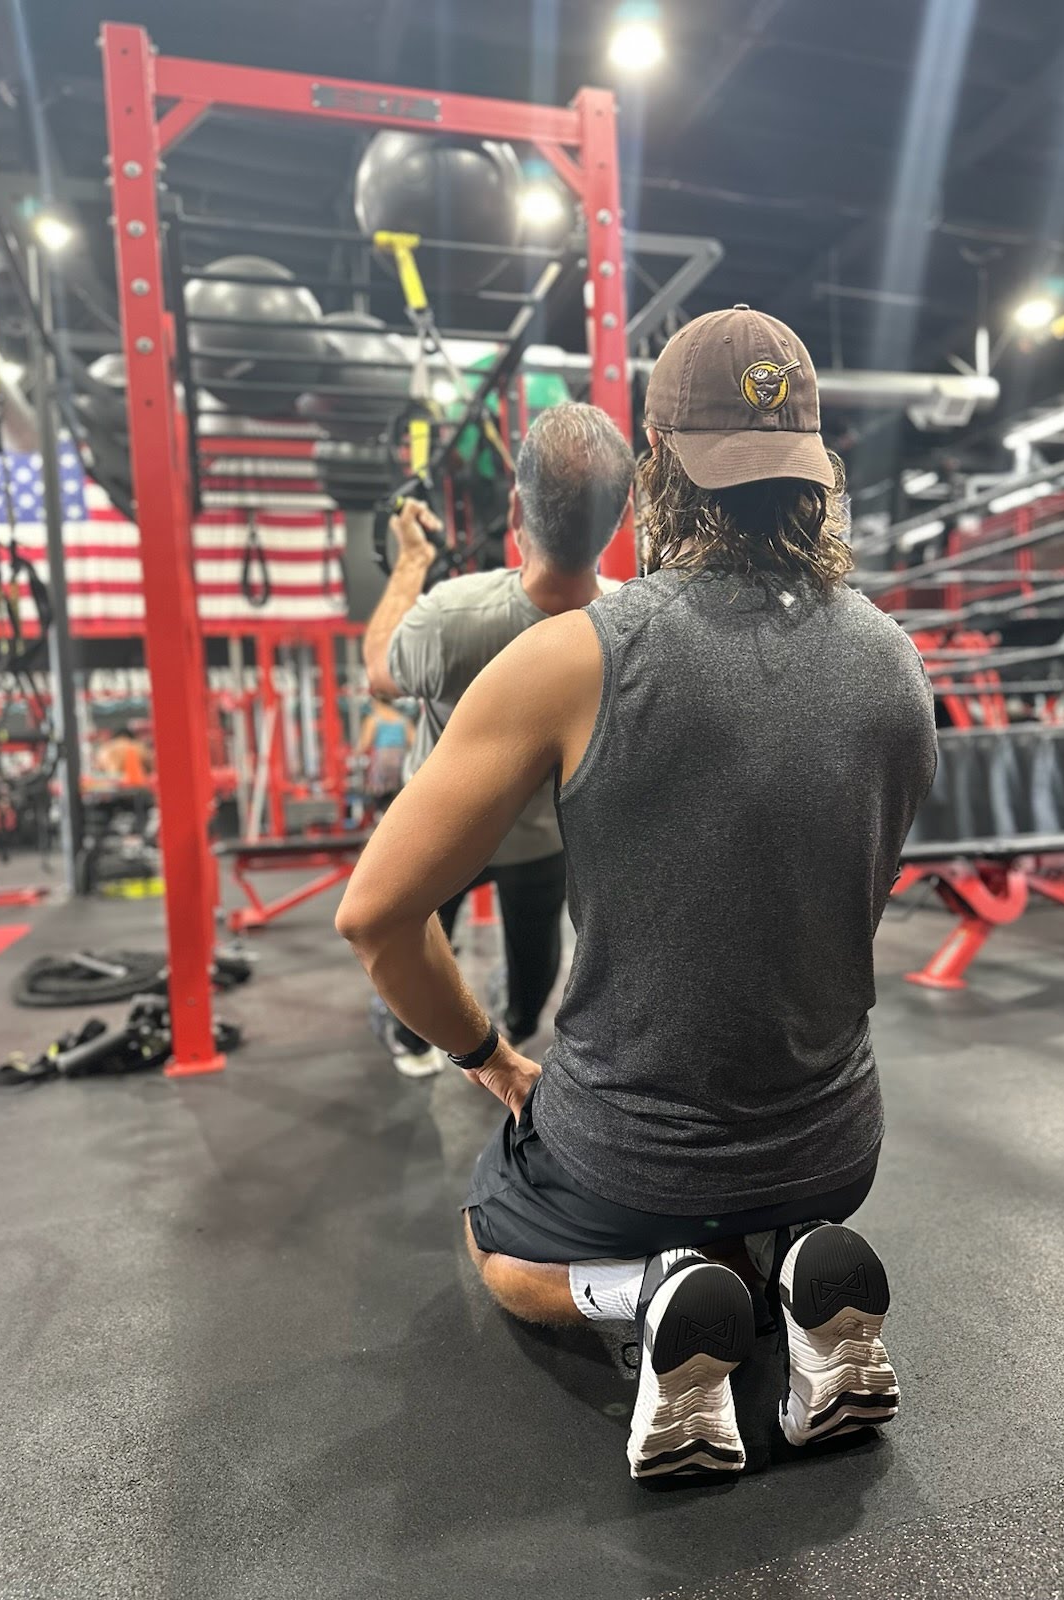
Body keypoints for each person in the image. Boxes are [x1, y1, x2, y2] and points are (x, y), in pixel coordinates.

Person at [337, 306, 937, 1481]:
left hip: (629, 1159)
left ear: (658, 466)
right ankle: (793, 1267)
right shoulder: (898, 666)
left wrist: (490, 1060)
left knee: (494, 1234)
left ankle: (654, 1286)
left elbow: (375, 916)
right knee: (760, 1187)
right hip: (836, 1146)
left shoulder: (574, 653)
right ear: (815, 473)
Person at [359, 402, 635, 1076]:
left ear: (516, 510)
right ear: (623, 517)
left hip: (442, 831)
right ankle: (498, 1032)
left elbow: (378, 671)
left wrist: (411, 562)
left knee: (411, 946)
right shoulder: (633, 627)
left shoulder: (448, 616)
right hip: (543, 843)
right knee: (533, 991)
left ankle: (424, 1038)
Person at [356, 699, 414, 808]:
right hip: (400, 760)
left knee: (380, 798)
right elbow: (413, 741)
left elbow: (365, 743)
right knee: (398, 797)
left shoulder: (374, 719)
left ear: (376, 702)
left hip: (382, 761)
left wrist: (356, 753)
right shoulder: (403, 719)